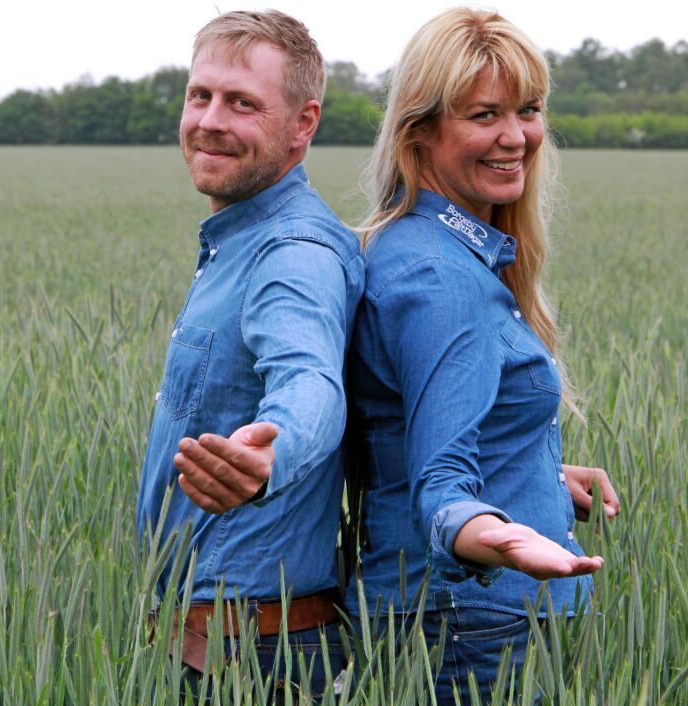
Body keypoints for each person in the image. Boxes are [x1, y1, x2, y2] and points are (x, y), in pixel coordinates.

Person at [347, 8, 620, 703]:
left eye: (528, 110)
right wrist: (498, 535)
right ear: (421, 132)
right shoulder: (440, 278)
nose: (515, 137)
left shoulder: (432, 255)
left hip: (457, 617)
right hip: (470, 625)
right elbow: (442, 480)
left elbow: (422, 429)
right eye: (483, 115)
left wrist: (532, 468)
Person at [135, 9, 363, 698]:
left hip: (256, 661)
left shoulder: (293, 253)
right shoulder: (237, 240)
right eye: (200, 95)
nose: (210, 120)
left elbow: (310, 381)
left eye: (243, 104)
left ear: (303, 124)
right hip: (216, 645)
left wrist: (271, 454)